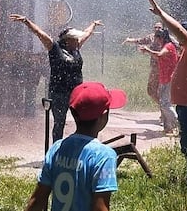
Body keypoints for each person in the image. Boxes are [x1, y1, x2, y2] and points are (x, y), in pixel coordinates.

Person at [24, 82, 127, 211]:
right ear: (104, 115)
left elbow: (37, 202)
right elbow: (100, 208)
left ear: (73, 113)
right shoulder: (103, 156)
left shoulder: (56, 148)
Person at [9, 14, 102, 142]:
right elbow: (40, 33)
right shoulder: (55, 49)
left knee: (83, 120)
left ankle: (81, 145)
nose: (78, 41)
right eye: (75, 39)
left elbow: (86, 34)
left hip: (76, 92)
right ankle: (56, 148)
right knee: (60, 122)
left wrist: (93, 24)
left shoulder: (76, 48)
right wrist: (26, 21)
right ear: (67, 40)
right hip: (59, 93)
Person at [148, 0, 187, 191]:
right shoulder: (186, 51)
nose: (176, 38)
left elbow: (179, 32)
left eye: (182, 35)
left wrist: (162, 14)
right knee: (186, 144)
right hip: (185, 105)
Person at [139, 29, 179, 135]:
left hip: (168, 79)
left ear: (161, 38)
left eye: (157, 39)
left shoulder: (168, 46)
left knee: (165, 104)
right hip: (164, 78)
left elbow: (160, 55)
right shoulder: (165, 46)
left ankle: (180, 124)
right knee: (163, 104)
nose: (156, 42)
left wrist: (148, 51)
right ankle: (168, 128)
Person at [122, 22, 164, 107]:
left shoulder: (167, 38)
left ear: (162, 28)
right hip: (154, 68)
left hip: (164, 68)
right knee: (151, 91)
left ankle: (165, 110)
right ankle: (163, 108)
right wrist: (129, 40)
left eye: (159, 27)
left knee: (161, 91)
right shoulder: (151, 37)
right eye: (155, 27)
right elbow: (140, 40)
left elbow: (178, 45)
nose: (157, 29)